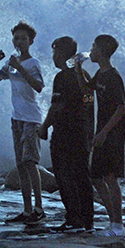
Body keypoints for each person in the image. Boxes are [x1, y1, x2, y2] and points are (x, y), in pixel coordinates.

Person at [0, 21, 46, 225]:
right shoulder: (10, 63)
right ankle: (27, 210)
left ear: (30, 41)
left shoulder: (32, 63)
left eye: (23, 38)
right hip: (17, 118)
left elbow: (39, 86)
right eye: (16, 38)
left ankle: (39, 209)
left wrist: (19, 68)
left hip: (31, 118)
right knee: (21, 165)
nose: (18, 41)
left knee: (31, 163)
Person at [39, 36, 95, 233]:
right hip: (84, 134)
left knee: (64, 176)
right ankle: (88, 220)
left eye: (55, 52)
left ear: (62, 54)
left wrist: (44, 127)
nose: (53, 57)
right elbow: (89, 101)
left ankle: (73, 219)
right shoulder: (84, 75)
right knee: (82, 176)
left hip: (65, 134)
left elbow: (57, 107)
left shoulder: (62, 77)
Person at [76, 34, 125, 237]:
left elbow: (122, 108)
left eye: (94, 47)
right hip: (101, 134)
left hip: (112, 134)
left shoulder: (114, 77)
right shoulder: (100, 74)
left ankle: (118, 226)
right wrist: (79, 70)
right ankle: (113, 219)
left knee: (111, 177)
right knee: (96, 178)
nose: (91, 50)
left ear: (102, 52)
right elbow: (88, 92)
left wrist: (104, 132)